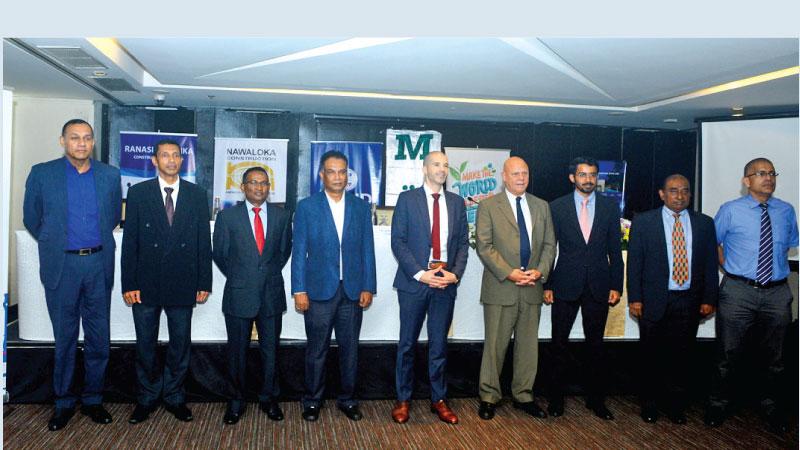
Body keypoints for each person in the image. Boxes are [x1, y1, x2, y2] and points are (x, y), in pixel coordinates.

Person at [23, 119, 122, 431]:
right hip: (62, 267)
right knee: (65, 338)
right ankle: (63, 402)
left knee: (98, 338)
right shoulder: (42, 173)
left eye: (87, 138)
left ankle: (93, 399)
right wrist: (57, 242)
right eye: (75, 138)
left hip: (97, 263)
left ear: (93, 143)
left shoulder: (109, 175)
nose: (82, 143)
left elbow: (110, 219)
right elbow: (32, 219)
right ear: (62, 140)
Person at [121, 139, 212, 424]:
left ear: (182, 161)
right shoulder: (138, 193)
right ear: (154, 161)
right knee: (145, 343)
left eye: (176, 155)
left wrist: (204, 281)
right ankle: (147, 397)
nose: (171, 160)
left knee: (180, 343)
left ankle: (174, 396)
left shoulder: (197, 194)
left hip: (183, 281)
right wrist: (128, 284)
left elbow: (202, 243)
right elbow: (130, 243)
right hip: (145, 283)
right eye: (165, 155)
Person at [706, 158, 798, 432]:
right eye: (760, 173)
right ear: (747, 181)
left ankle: (772, 407)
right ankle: (717, 405)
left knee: (776, 358)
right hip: (738, 291)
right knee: (728, 354)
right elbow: (713, 242)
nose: (768, 178)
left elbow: (788, 246)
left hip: (777, 293)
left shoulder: (786, 210)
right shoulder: (730, 210)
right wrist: (729, 268)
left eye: (771, 173)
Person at [291, 150, 377, 422]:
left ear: (348, 175)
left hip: (352, 291)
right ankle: (312, 401)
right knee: (317, 350)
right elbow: (299, 251)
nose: (338, 177)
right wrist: (299, 290)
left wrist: (368, 286)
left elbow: (367, 250)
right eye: (332, 171)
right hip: (317, 292)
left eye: (342, 172)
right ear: (321, 175)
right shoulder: (306, 207)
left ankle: (348, 400)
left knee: (350, 350)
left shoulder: (361, 207)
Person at [627, 174, 718, 424]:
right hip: (654, 300)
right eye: (673, 190)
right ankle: (649, 405)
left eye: (685, 191)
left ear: (690, 195)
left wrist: (709, 297)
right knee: (651, 356)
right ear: (662, 194)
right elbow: (634, 264)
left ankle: (675, 406)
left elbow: (710, 264)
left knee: (681, 357)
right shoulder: (645, 221)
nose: (680, 196)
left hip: (689, 300)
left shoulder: (704, 223)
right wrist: (635, 298)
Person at [390, 151, 469, 425]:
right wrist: (422, 274)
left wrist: (454, 275)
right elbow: (398, 241)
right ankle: (403, 399)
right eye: (436, 164)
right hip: (415, 283)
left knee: (439, 345)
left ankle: (439, 399)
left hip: (444, 282)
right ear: (425, 169)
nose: (442, 169)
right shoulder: (407, 199)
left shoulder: (458, 203)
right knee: (407, 344)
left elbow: (461, 244)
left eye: (446, 165)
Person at [474, 156, 556, 420]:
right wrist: (509, 273)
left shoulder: (541, 206)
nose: (521, 178)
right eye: (516, 173)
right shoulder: (488, 206)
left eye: (525, 173)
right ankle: (489, 396)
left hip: (532, 286)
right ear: (504, 176)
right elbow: (484, 246)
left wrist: (540, 271)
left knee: (528, 347)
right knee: (495, 346)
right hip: (501, 286)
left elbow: (549, 245)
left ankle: (524, 395)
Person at [543, 156, 623, 420]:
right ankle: (556, 400)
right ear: (572, 178)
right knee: (559, 345)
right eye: (583, 175)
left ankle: (596, 400)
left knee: (596, 346)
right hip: (565, 284)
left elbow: (615, 249)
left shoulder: (610, 207)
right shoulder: (557, 207)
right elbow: (549, 249)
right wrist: (547, 284)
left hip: (599, 285)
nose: (588, 180)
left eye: (592, 175)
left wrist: (616, 285)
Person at [212, 167, 292, 425]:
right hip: (238, 293)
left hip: (271, 293)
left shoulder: (282, 216)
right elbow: (221, 255)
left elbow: (283, 253)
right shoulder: (227, 217)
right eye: (253, 183)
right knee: (237, 352)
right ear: (243, 187)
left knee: (271, 351)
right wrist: (241, 277)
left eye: (263, 183)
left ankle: (269, 399)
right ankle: (236, 401)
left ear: (269, 187)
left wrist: (263, 275)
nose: (258, 188)